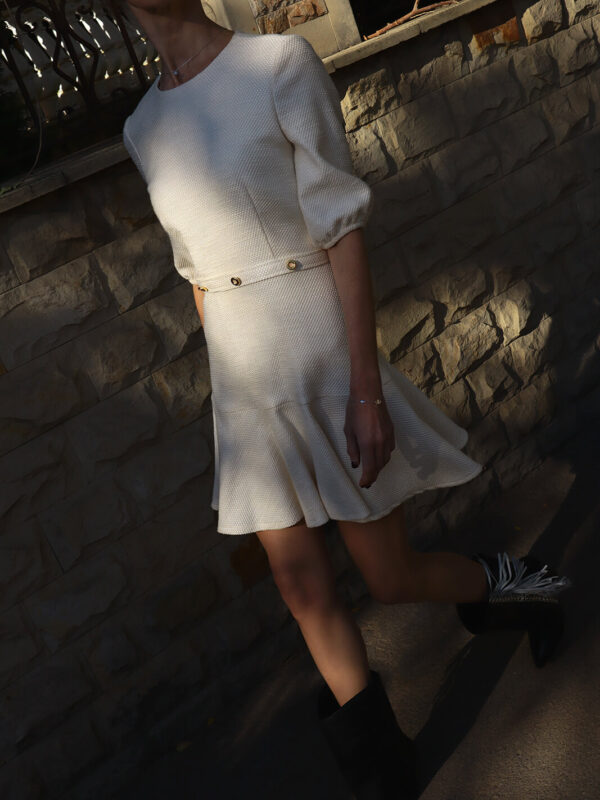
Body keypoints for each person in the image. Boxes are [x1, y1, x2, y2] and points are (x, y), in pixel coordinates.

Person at [121, 2, 572, 796]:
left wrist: (366, 389)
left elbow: (340, 227)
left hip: (320, 354)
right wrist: (233, 393)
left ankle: (520, 583)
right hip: (245, 387)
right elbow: (196, 273)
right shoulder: (143, 126)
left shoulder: (278, 65)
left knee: (389, 577)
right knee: (302, 588)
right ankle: (383, 769)